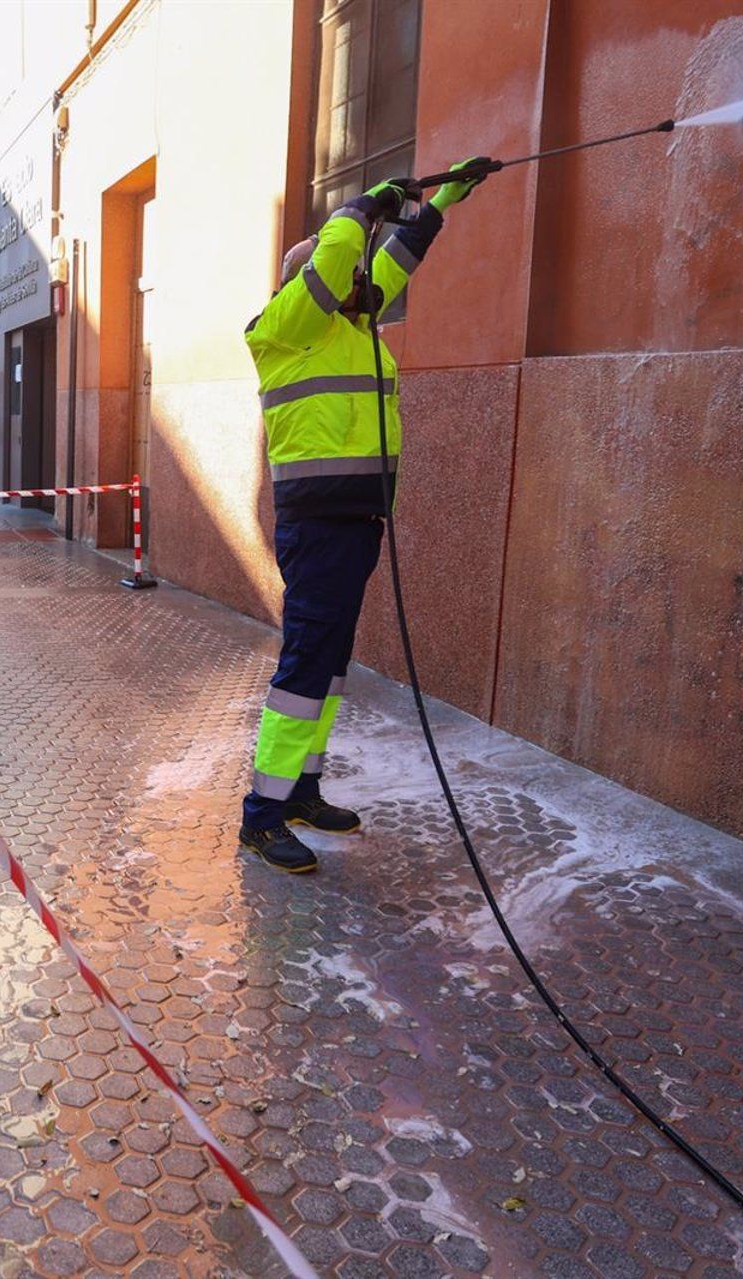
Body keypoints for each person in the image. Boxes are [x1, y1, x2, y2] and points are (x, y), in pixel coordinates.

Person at [237, 160, 486, 874]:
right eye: (344, 276)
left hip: (356, 523)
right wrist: (362, 205)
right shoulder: (284, 329)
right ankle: (261, 816)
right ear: (308, 281)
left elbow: (390, 265)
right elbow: (339, 257)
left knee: (330, 664)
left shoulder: (349, 327)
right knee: (305, 664)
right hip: (316, 527)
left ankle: (301, 789)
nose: (358, 286)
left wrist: (440, 202)